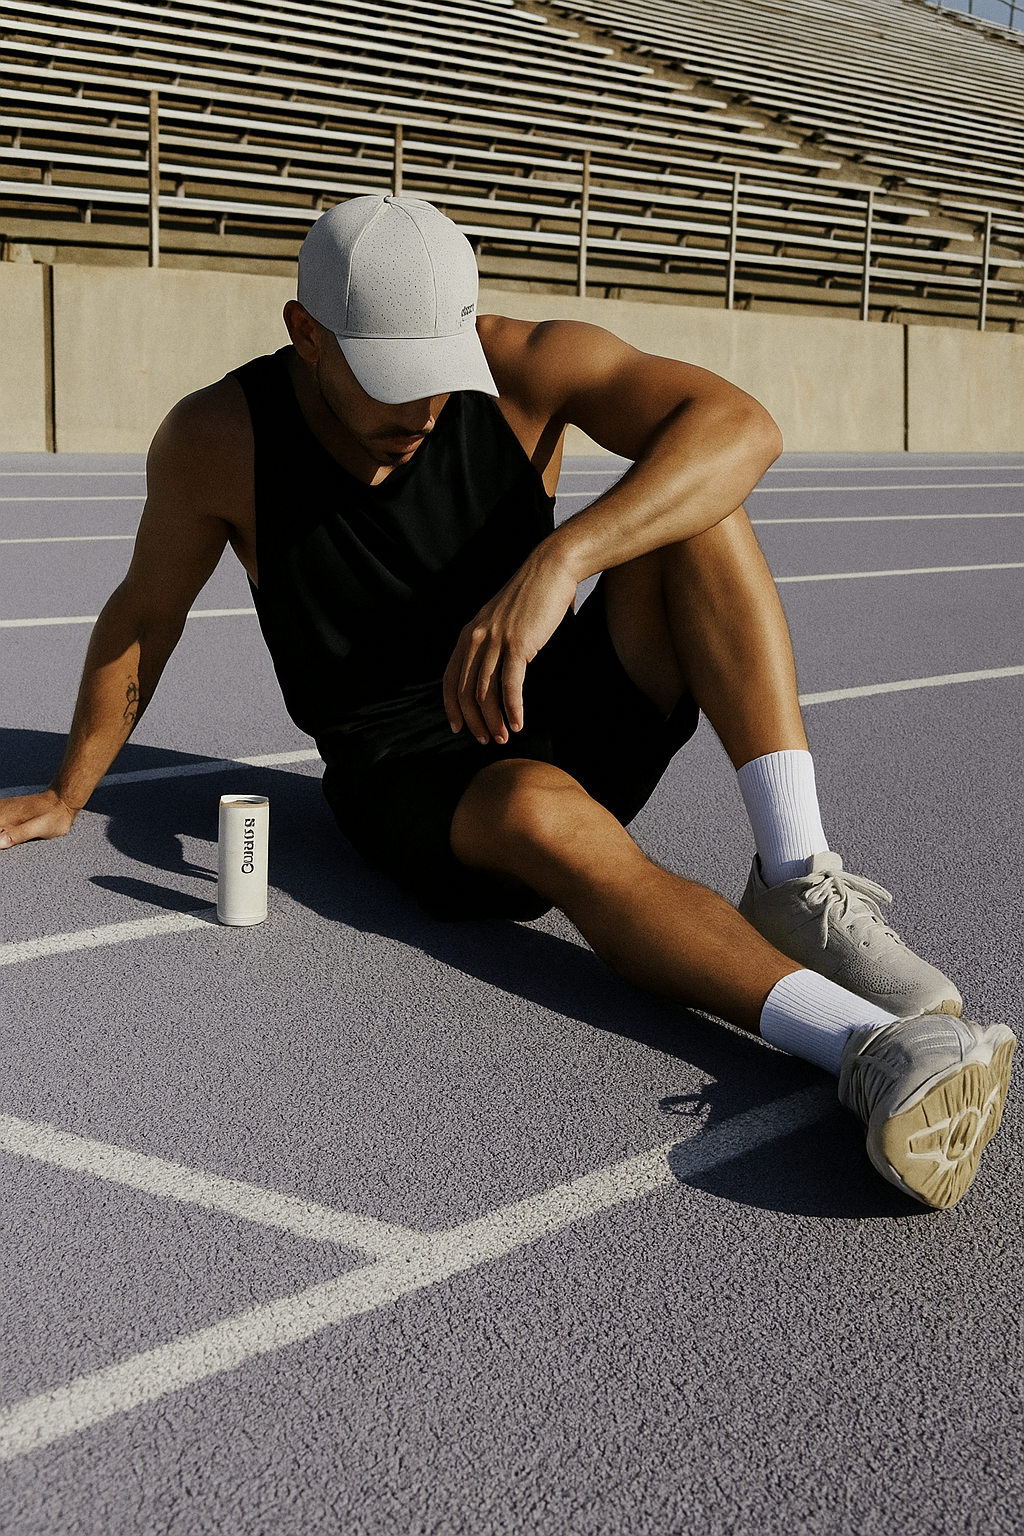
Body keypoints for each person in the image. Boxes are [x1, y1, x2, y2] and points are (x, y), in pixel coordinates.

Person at [0, 195, 1012, 1209]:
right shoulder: (219, 437)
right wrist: (68, 790)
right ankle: (870, 1052)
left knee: (698, 500)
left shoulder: (525, 364)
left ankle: (796, 873)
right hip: (413, 773)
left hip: (548, 688)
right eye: (392, 381)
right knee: (539, 810)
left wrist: (561, 560)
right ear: (304, 333)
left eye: (438, 378)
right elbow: (145, 612)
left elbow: (741, 426)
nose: (425, 412)